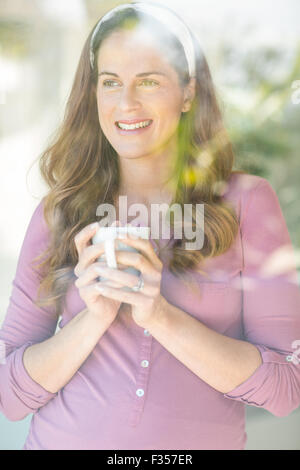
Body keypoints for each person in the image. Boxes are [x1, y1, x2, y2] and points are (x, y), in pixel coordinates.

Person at [0, 1, 300, 451]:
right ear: (94, 94)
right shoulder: (59, 212)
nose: (127, 103)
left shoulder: (246, 203)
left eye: (148, 81)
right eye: (110, 82)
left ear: (187, 92)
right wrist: (93, 317)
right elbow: (9, 397)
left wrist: (159, 315)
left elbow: (285, 391)